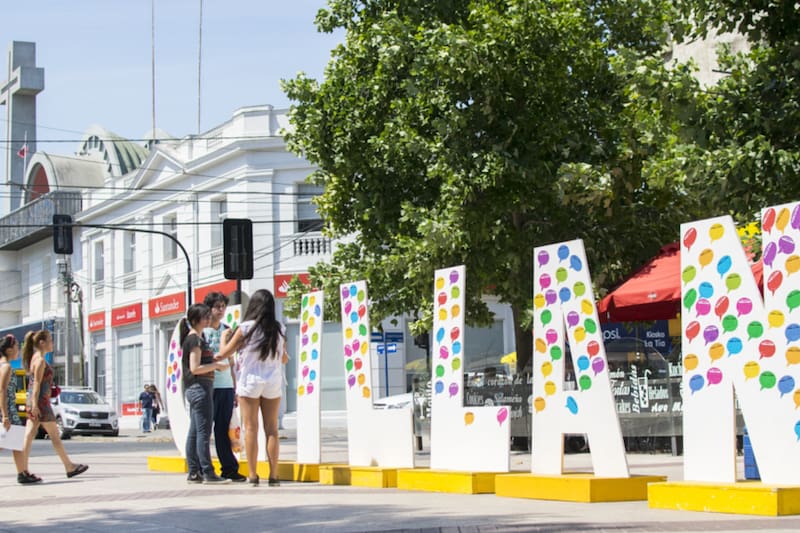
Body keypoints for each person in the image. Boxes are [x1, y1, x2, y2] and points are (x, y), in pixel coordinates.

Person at [219, 289, 288, 487]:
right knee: (272, 429)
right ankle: (274, 475)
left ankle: (252, 474)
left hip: (250, 381)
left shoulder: (245, 328)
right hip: (273, 381)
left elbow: (225, 353)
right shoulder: (280, 328)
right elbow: (283, 357)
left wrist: (225, 337)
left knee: (251, 428)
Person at [21, 330, 88, 481]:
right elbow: (36, 384)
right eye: (51, 340)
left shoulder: (35, 358)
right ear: (42, 343)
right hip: (41, 403)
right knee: (54, 436)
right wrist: (35, 405)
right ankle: (69, 467)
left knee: (29, 436)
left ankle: (23, 470)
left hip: (36, 402)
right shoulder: (39, 361)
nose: (53, 343)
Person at [180, 303, 231, 484]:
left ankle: (194, 472)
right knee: (202, 432)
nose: (209, 319)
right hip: (199, 388)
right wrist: (216, 366)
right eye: (205, 317)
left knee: (195, 431)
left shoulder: (197, 338)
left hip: (199, 388)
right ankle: (207, 471)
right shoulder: (194, 339)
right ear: (196, 320)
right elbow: (194, 368)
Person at [204, 291, 245, 481]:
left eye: (223, 307)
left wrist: (235, 388)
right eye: (217, 307)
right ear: (209, 309)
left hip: (226, 386)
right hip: (208, 386)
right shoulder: (202, 332)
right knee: (204, 428)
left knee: (223, 429)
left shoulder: (228, 330)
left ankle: (229, 468)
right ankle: (203, 468)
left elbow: (231, 361)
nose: (221, 310)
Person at [0, 334, 40, 484]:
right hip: (7, 410)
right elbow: (2, 390)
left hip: (7, 410)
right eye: (17, 346)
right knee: (7, 442)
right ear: (9, 350)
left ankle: (22, 473)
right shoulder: (6, 367)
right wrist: (5, 415)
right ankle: (23, 473)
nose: (18, 350)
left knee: (15, 442)